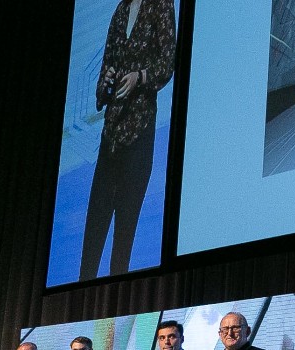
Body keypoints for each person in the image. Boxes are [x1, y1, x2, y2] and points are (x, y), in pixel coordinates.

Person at [80, 0, 176, 281]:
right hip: (110, 135)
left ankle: (116, 310)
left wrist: (140, 77)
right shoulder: (120, 11)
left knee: (123, 238)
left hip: (139, 133)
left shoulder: (160, 6)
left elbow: (167, 62)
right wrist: (106, 82)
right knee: (93, 232)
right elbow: (103, 77)